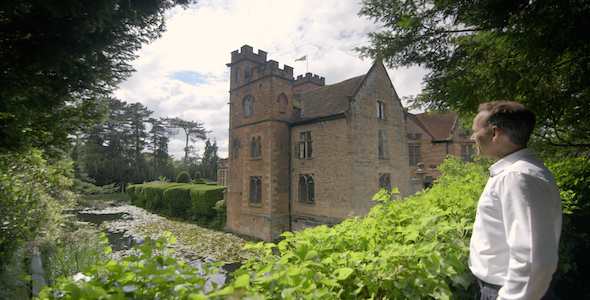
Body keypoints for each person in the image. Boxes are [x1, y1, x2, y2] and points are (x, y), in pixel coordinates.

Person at [469, 101, 562, 300]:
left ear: (495, 133)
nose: (472, 137)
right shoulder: (519, 172)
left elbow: (533, 258)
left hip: (509, 292)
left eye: (475, 131)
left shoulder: (518, 177)